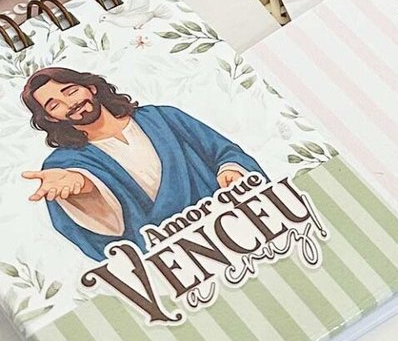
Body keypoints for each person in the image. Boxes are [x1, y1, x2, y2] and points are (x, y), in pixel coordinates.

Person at [20, 66, 265, 260]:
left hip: (232, 225)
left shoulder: (163, 117)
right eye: (54, 105)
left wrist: (231, 171)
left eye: (71, 91)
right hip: (171, 259)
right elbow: (87, 225)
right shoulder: (62, 164)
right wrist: (84, 188)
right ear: (51, 118)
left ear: (91, 88)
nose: (70, 104)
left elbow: (225, 153)